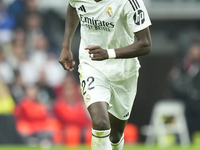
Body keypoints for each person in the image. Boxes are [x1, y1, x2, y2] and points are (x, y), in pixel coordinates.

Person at [59, 0, 152, 150]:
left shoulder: (129, 2)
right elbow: (73, 6)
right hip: (92, 65)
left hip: (124, 73)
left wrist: (108, 53)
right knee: (101, 123)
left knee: (115, 134)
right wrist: (66, 46)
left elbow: (145, 44)